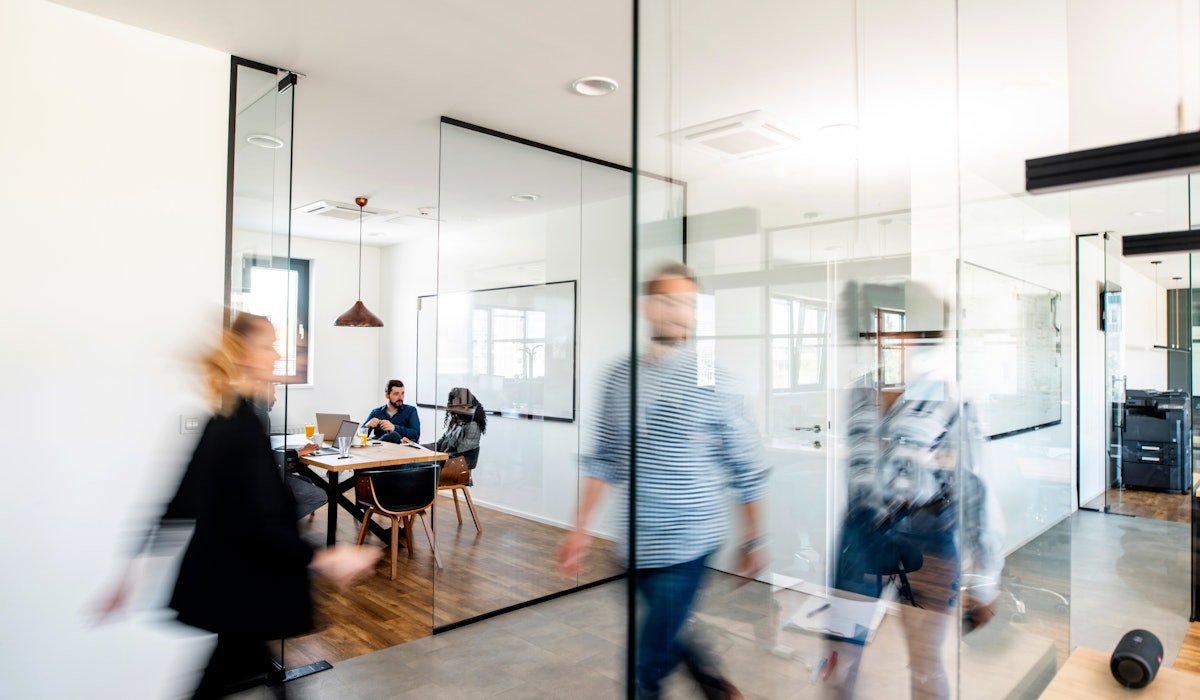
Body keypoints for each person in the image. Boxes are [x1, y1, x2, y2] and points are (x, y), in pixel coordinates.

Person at [99, 312, 379, 698]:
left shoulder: (230, 417)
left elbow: (183, 500)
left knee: (232, 670)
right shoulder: (239, 425)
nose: (277, 354)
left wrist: (131, 572)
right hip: (243, 586)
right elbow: (255, 520)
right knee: (227, 673)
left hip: (234, 587)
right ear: (244, 354)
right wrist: (324, 558)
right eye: (268, 346)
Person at [557, 262, 768, 700]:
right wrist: (579, 531)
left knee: (645, 669)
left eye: (689, 304)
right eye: (670, 301)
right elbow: (605, 459)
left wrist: (754, 538)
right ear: (647, 307)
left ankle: (705, 684)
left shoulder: (711, 375)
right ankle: (715, 684)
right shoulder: (618, 377)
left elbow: (743, 463)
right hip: (632, 545)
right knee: (670, 632)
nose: (680, 312)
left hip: (688, 541)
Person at [823, 282, 1005, 700]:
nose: (884, 333)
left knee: (924, 666)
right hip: (862, 532)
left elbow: (976, 486)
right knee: (840, 658)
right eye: (878, 324)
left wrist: (985, 579)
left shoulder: (951, 399)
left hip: (927, 536)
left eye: (898, 324)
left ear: (924, 335)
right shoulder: (859, 392)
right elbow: (856, 469)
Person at [427, 386, 486, 455]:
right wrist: (419, 447)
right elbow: (439, 445)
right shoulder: (455, 423)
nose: (452, 405)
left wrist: (436, 456)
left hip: (452, 462)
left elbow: (460, 453)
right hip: (442, 457)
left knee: (414, 464)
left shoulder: (472, 426)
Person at [364, 379, 420, 444]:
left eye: (402, 393)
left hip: (400, 450)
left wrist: (394, 427)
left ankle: (378, 443)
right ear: (387, 395)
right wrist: (367, 426)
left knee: (394, 435)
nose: (400, 397)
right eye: (396, 394)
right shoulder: (376, 412)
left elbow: (416, 434)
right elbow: (358, 437)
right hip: (379, 451)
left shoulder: (411, 411)